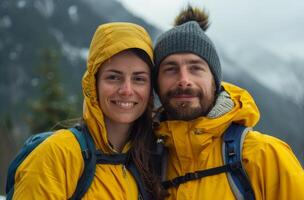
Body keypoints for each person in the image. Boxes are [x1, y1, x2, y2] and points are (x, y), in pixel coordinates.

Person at [152, 5, 304, 200]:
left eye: (196, 68)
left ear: (215, 82)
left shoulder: (263, 155)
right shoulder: (147, 163)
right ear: (157, 84)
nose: (184, 79)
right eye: (170, 69)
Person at [11, 22, 162, 199]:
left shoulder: (150, 162)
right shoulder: (57, 155)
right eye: (113, 77)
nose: (127, 90)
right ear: (93, 83)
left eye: (139, 79)